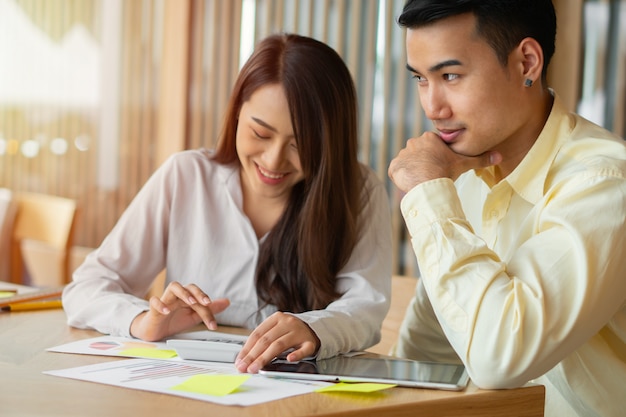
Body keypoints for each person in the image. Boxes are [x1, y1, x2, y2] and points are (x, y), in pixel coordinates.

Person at [63, 33, 392, 374]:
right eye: (260, 134)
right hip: (186, 389)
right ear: (236, 113)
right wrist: (142, 321)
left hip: (298, 394)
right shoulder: (186, 176)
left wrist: (315, 328)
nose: (274, 159)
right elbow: (86, 287)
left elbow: (366, 308)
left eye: (301, 144)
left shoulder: (359, 191)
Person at [387, 1, 626, 416]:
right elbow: (429, 346)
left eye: (450, 76)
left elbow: (500, 357)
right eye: (421, 80)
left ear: (527, 64)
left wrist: (427, 190)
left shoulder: (604, 185)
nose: (432, 107)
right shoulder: (464, 174)